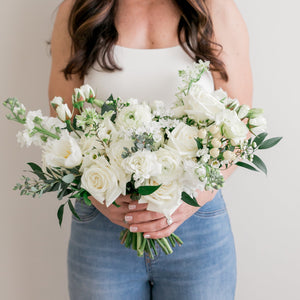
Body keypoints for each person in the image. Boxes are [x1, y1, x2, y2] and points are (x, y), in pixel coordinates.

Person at [49, 0, 252, 299]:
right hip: (102, 224)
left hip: (196, 226)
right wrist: (100, 195)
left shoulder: (213, 8)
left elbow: (241, 125)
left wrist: (190, 201)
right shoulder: (80, 8)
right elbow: (63, 122)